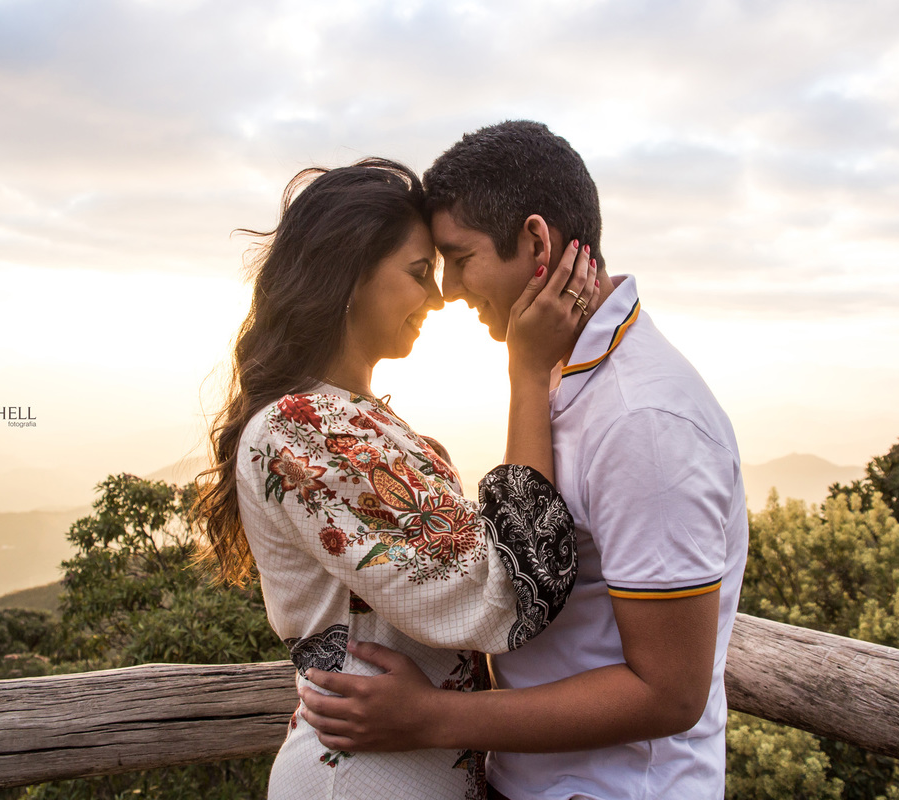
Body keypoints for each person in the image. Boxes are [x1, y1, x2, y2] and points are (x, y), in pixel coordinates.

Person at [300, 122, 750, 800]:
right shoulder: (563, 380)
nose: (448, 290)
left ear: (536, 243)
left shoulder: (645, 421)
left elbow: (669, 694)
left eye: (459, 256)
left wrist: (431, 717)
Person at [192, 157, 601, 800]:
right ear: (350, 276)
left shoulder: (355, 424)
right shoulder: (303, 428)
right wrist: (528, 372)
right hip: (359, 780)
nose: (438, 299)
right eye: (419, 275)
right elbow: (508, 590)